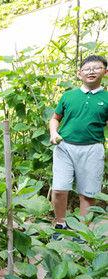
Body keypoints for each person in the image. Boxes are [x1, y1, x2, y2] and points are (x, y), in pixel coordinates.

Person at [49, 55, 107, 232]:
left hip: (93, 148)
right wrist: (53, 132)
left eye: (96, 68)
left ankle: (83, 232)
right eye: (87, 69)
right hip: (64, 147)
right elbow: (55, 118)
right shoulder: (68, 96)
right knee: (59, 189)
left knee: (88, 194)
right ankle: (60, 224)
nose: (91, 72)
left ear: (105, 71)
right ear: (79, 73)